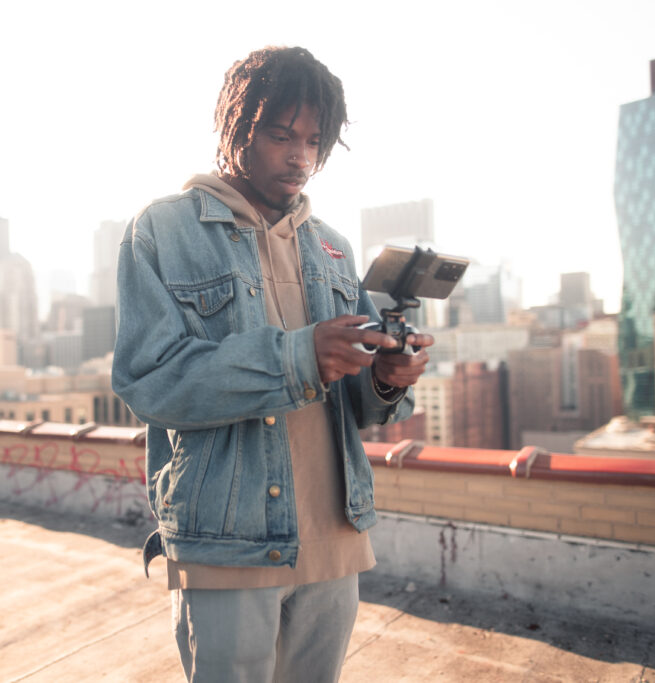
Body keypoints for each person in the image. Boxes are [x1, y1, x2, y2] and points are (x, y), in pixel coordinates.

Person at [112, 45, 434, 683]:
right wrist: (298, 354)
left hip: (335, 537)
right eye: (280, 135)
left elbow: (361, 406)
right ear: (237, 129)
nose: (299, 157)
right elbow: (149, 382)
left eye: (314, 140)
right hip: (228, 541)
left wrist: (387, 380)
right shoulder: (162, 232)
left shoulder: (334, 249)